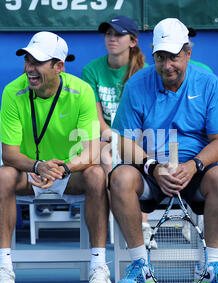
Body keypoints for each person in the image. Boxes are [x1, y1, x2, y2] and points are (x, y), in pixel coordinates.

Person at [109, 18, 218, 283]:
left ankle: (212, 267)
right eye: (160, 58)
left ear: (188, 53)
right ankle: (140, 267)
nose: (167, 65)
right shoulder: (137, 84)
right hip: (151, 173)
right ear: (154, 57)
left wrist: (193, 166)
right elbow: (122, 140)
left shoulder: (209, 83)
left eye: (173, 57)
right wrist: (153, 167)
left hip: (196, 172)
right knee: (121, 177)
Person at [0, 31, 112, 283]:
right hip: (31, 173)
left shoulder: (81, 91)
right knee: (3, 175)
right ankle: (2, 268)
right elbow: (10, 153)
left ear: (59, 66)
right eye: (27, 61)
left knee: (96, 175)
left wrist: (62, 169)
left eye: (37, 62)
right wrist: (39, 166)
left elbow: (91, 152)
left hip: (69, 174)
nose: (29, 69)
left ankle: (99, 266)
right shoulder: (13, 91)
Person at [81, 16, 157, 248]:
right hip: (107, 137)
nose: (112, 39)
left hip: (140, 137)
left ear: (133, 41)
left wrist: (128, 142)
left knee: (135, 153)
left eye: (119, 34)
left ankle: (141, 225)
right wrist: (116, 139)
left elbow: (149, 119)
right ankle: (128, 227)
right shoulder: (92, 70)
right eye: (108, 34)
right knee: (106, 156)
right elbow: (97, 122)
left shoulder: (145, 71)